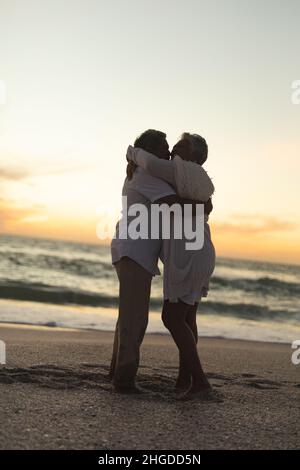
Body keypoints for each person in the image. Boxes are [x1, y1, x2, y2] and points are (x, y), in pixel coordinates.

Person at [110, 130, 214, 394]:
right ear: (150, 150)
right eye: (165, 146)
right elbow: (173, 204)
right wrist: (205, 206)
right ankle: (124, 380)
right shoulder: (146, 174)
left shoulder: (157, 172)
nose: (169, 151)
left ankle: (121, 374)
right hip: (137, 251)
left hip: (145, 252)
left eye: (174, 146)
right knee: (136, 319)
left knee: (135, 317)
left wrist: (133, 155)